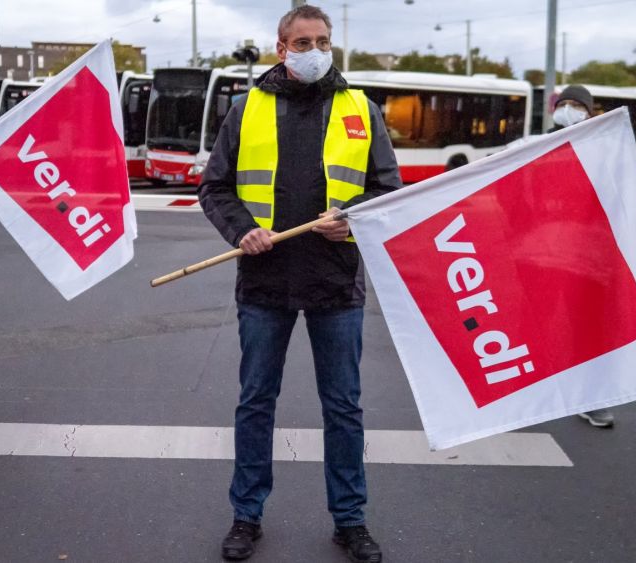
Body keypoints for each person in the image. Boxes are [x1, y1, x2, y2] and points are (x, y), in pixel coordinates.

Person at [198, 5, 401, 561]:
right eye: (303, 41)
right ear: (281, 48)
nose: (315, 50)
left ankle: (351, 520)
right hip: (265, 280)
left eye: (323, 40)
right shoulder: (246, 108)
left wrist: (353, 220)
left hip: (337, 284)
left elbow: (388, 190)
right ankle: (246, 516)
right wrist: (243, 233)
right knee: (256, 403)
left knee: (344, 408)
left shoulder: (362, 108)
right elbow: (214, 189)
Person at [550, 84, 616, 429]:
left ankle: (594, 398)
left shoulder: (603, 148)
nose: (571, 110)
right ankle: (532, 393)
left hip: (586, 254)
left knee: (588, 327)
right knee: (538, 324)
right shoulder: (535, 146)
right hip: (539, 252)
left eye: (578, 105)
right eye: (566, 104)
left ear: (590, 112)